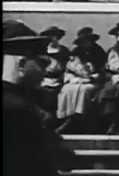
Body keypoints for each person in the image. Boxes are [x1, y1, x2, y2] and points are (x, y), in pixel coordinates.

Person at [3, 19, 74, 176]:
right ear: (21, 65)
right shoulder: (17, 109)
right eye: (41, 63)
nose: (46, 69)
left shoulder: (25, 101)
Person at [38, 26, 70, 119]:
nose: (52, 39)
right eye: (49, 36)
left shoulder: (64, 51)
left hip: (59, 79)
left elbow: (67, 66)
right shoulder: (42, 51)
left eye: (54, 36)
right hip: (44, 78)